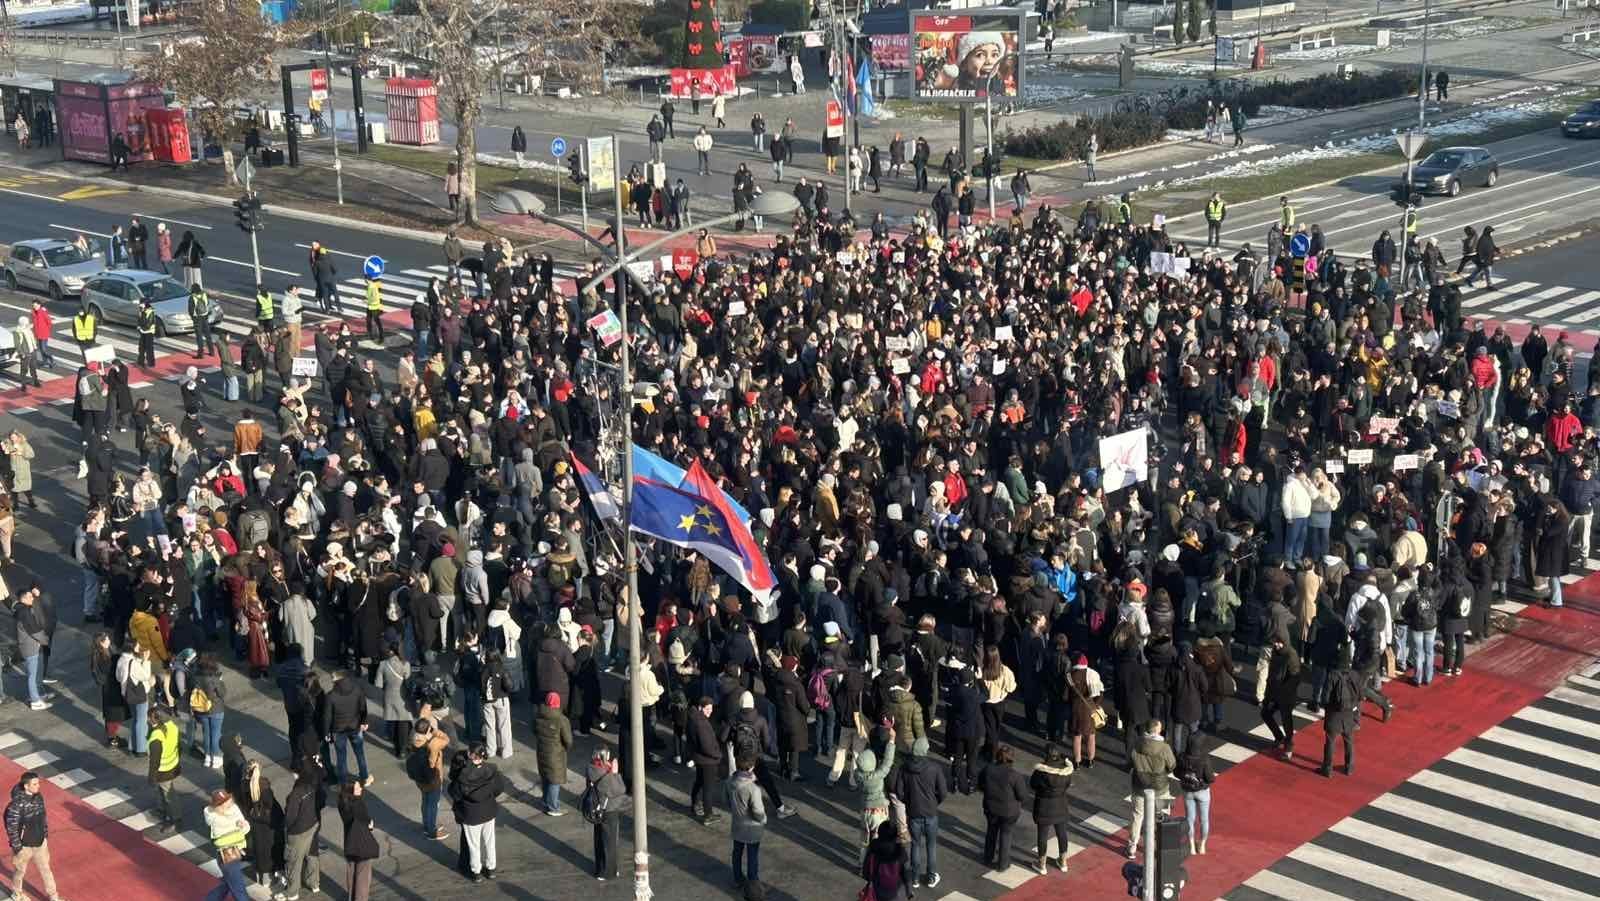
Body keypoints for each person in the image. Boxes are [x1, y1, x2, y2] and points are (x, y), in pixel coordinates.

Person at [894, 736, 946, 888]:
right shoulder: (935, 768)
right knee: (931, 846)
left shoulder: (904, 768)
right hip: (931, 813)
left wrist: (909, 803)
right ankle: (931, 876)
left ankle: (915, 877)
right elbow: (943, 792)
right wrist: (934, 802)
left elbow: (899, 792)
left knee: (915, 845)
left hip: (913, 813)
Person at [449, 743, 505, 883]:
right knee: (489, 842)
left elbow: (455, 793)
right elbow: (499, 788)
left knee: (474, 845)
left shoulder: (464, 775)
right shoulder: (491, 769)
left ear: (470, 754)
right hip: (488, 811)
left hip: (470, 814)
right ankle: (491, 868)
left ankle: (476, 872)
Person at [5, 771, 64, 901]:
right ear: (26, 786)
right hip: (24, 846)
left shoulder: (39, 798)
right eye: (35, 784)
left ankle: (54, 897)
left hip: (40, 843)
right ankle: (17, 894)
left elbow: (43, 818)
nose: (38, 786)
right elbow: (12, 828)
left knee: (46, 870)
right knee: (20, 872)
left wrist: (45, 835)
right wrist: (17, 847)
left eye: (38, 783)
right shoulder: (16, 805)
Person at [1126, 720, 1174, 860]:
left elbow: (1129, 762)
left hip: (1140, 786)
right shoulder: (1164, 748)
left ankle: (1132, 847)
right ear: (1157, 731)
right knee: (1161, 816)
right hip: (1160, 787)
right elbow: (1172, 765)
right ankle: (1158, 846)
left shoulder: (1137, 744)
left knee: (1137, 816)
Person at [979, 743, 1028, 871]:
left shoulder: (988, 769)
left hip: (991, 808)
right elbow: (1022, 796)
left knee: (991, 832)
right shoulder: (1015, 775)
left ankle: (988, 858)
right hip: (1009, 812)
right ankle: (1002, 864)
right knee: (1006, 835)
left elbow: (980, 785)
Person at [1029, 743, 1073, 874]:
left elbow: (1032, 784)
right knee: (1062, 833)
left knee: (1042, 835)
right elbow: (1067, 785)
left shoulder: (1041, 771)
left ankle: (1041, 864)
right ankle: (1063, 861)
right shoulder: (1066, 771)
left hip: (1043, 807)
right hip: (1060, 806)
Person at [727, 749, 766, 891]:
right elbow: (758, 811)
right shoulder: (753, 788)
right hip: (752, 828)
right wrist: (763, 820)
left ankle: (737, 878)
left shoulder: (729, 782)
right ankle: (753, 883)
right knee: (752, 856)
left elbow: (727, 802)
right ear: (751, 767)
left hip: (737, 824)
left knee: (737, 852)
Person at [202, 789, 252, 901]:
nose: (227, 804)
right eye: (222, 803)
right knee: (239, 889)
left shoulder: (233, 808)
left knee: (229, 883)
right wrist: (237, 823)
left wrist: (243, 825)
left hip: (237, 850)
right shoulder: (213, 816)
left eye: (227, 800)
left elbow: (245, 828)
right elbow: (223, 823)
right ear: (216, 806)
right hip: (226, 854)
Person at [585, 747, 626, 881]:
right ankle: (607, 872)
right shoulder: (604, 773)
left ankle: (600, 869)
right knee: (610, 842)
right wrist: (615, 773)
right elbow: (619, 789)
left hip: (597, 809)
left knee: (599, 839)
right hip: (609, 810)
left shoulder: (592, 768)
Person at [337, 780, 380, 900]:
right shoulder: (358, 804)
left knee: (352, 872)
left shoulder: (342, 803)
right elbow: (366, 822)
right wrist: (370, 825)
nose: (361, 789)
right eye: (357, 788)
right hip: (362, 843)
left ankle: (351, 897)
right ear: (351, 791)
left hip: (349, 842)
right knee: (363, 875)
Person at [1175, 733, 1216, 854]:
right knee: (1204, 820)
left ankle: (1191, 845)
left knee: (1190, 819)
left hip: (1188, 791)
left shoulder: (1182, 757)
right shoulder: (1204, 759)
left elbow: (1177, 772)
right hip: (1202, 791)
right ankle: (1202, 844)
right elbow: (1210, 778)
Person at [535, 692, 573, 815]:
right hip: (556, 753)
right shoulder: (561, 720)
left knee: (546, 775)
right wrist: (566, 748)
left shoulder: (538, 715)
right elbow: (568, 740)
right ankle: (553, 807)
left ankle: (545, 801)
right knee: (554, 780)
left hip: (542, 751)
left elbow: (533, 729)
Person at [147, 705, 183, 834]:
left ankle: (175, 819)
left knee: (169, 795)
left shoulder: (157, 736)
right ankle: (163, 809)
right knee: (165, 791)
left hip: (163, 770)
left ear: (153, 720)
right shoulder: (172, 726)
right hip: (172, 764)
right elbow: (179, 746)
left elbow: (154, 761)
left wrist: (151, 777)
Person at [861, 820, 912, 901]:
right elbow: (906, 871)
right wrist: (909, 890)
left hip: (877, 887)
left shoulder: (873, 846)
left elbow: (866, 870)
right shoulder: (899, 849)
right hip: (895, 888)